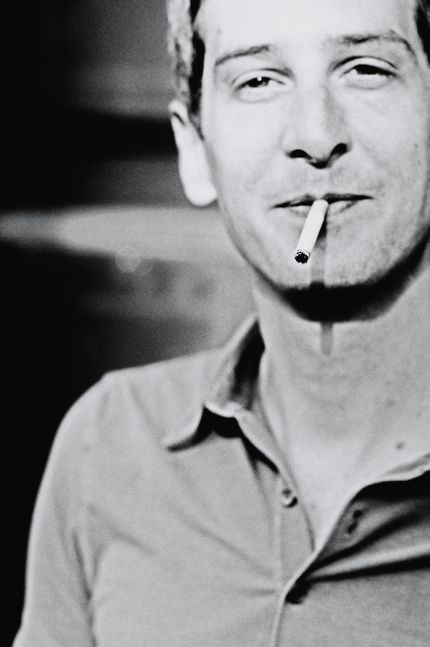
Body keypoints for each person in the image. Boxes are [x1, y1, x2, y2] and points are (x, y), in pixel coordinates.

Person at [14, 0, 430, 645]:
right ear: (194, 149)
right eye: (258, 80)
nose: (316, 134)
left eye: (366, 69)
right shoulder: (110, 444)